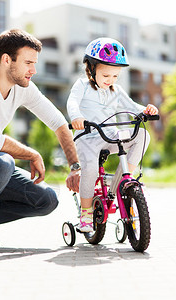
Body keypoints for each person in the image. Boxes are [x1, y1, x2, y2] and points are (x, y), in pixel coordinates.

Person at [0, 29, 80, 253]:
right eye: (28, 63)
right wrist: (32, 154)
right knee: (3, 162)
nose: (33, 70)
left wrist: (75, 167)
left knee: (46, 200)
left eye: (34, 63)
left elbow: (59, 123)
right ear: (7, 60)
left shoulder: (22, 87)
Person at [67, 37, 158, 233]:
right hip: (88, 136)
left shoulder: (116, 90)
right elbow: (72, 102)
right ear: (91, 69)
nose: (110, 80)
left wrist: (147, 111)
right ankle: (86, 213)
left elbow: (132, 107)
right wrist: (76, 117)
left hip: (111, 135)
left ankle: (120, 183)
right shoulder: (82, 85)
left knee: (142, 136)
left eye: (115, 76)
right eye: (106, 75)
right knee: (90, 168)